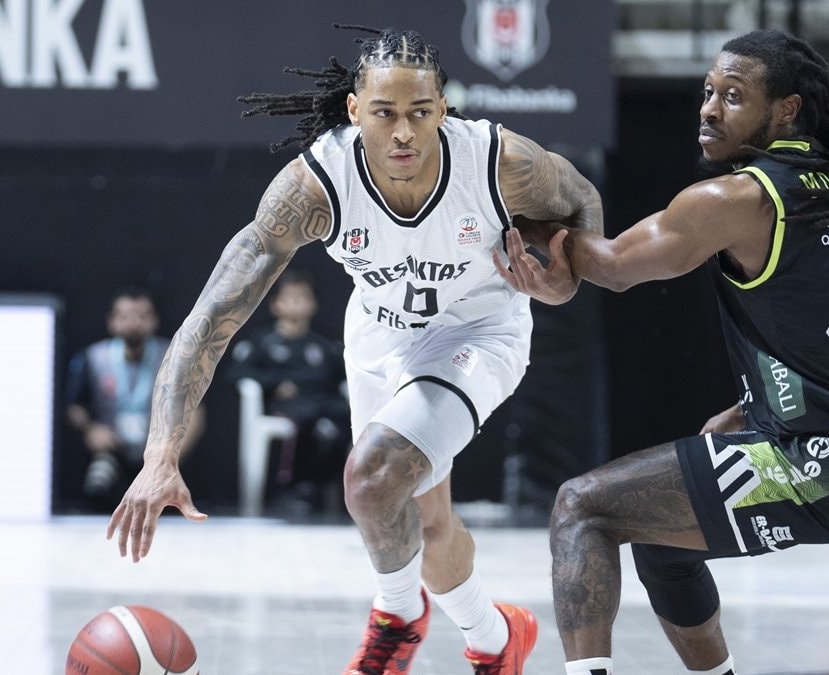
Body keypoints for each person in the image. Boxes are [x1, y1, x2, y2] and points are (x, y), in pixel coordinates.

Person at [105, 24, 602, 675]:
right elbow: (210, 319)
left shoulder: (498, 162)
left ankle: (396, 618)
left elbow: (582, 200)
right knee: (426, 524)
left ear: (443, 108)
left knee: (370, 476)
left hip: (477, 331)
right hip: (378, 333)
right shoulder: (316, 186)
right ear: (354, 109)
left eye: (420, 112)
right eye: (385, 113)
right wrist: (160, 453)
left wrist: (565, 282)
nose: (403, 132)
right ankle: (494, 638)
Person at [497, 29, 829, 675]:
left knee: (580, 506)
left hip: (821, 459)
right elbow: (818, 320)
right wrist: (755, 404)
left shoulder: (740, 198)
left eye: (733, 96)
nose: (708, 109)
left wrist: (514, 216)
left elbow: (612, 265)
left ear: (785, 110)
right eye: (707, 92)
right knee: (661, 539)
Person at [65, 287, 204, 511]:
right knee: (98, 484)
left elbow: (195, 410)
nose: (133, 323)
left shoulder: (173, 357)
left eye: (141, 316)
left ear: (154, 320)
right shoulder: (93, 357)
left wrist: (173, 455)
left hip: (159, 452)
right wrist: (90, 429)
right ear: (111, 321)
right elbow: (75, 406)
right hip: (112, 449)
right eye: (125, 317)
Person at [228, 269, 350, 517]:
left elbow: (341, 376)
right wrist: (277, 384)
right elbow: (238, 373)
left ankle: (336, 487)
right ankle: (297, 488)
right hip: (286, 406)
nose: (296, 303)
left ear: (313, 304)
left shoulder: (323, 345)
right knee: (307, 416)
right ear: (276, 304)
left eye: (302, 297)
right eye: (290, 298)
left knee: (345, 417)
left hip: (322, 402)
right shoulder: (263, 342)